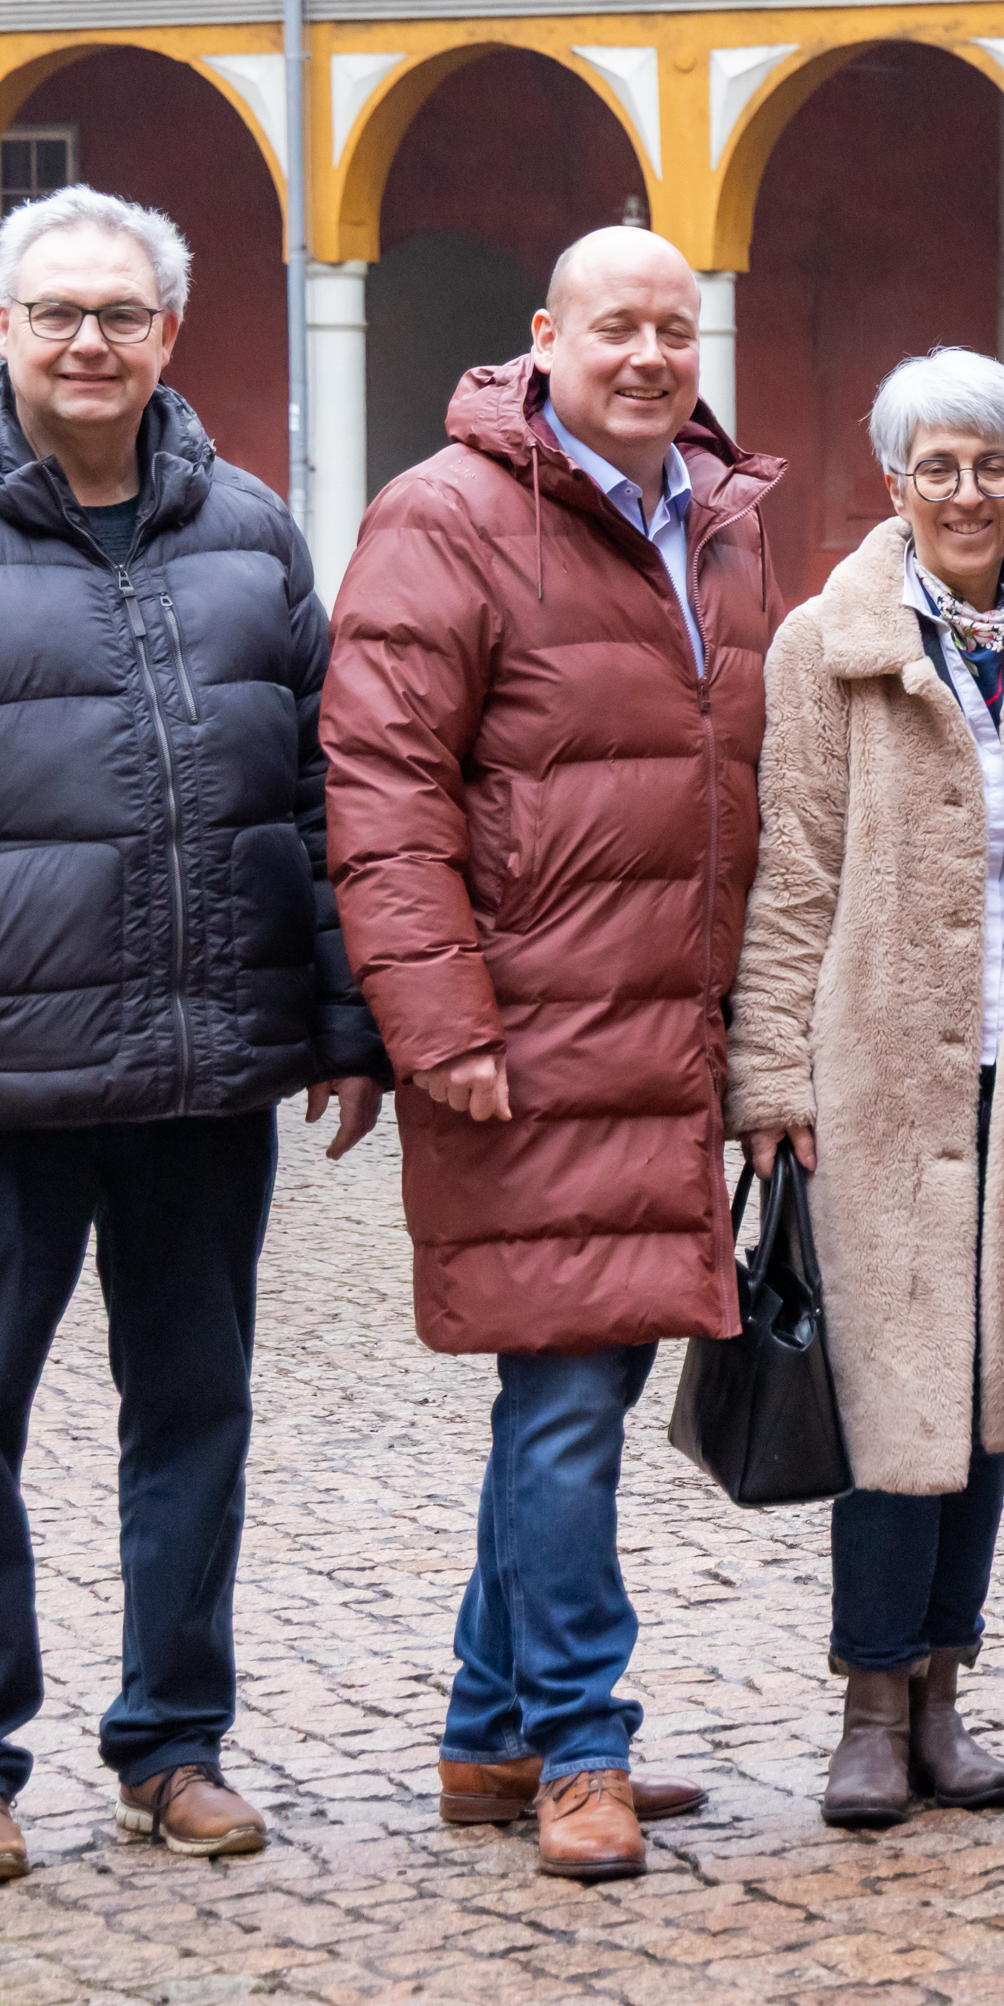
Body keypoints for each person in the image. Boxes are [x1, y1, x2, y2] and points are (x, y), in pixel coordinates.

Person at [0, 184, 386, 1885]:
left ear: (169, 334)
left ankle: (173, 1745)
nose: (90, 341)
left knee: (194, 1417)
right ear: (4, 326)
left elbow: (325, 797)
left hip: (203, 1080)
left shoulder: (250, 532)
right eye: (57, 313)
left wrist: (343, 1019)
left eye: (122, 314)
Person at [323, 226, 784, 1883]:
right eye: (615, 329)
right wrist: (435, 1018)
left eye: (675, 327)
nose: (650, 356)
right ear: (545, 336)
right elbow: (380, 789)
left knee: (570, 1388)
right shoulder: (444, 516)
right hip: (525, 1041)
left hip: (669, 1040)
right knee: (569, 1396)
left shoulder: (723, 527)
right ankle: (585, 1743)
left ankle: (489, 1729)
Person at [727, 349, 1004, 1828]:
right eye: (938, 467)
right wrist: (767, 1069)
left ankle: (943, 1697)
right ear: (893, 480)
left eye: (992, 466)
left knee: (990, 1394)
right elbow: (792, 870)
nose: (967, 493)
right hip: (878, 1074)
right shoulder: (825, 646)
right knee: (890, 1395)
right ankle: (867, 1699)